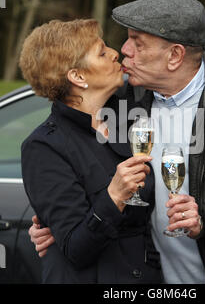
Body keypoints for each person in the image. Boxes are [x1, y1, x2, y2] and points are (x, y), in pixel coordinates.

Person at [29, 0, 205, 284]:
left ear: (175, 55)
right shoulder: (125, 102)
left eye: (138, 43)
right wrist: (51, 223)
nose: (123, 50)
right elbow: (73, 158)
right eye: (126, 40)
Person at [20, 19, 162, 284]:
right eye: (101, 51)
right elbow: (76, 248)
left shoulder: (132, 118)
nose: (114, 52)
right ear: (77, 76)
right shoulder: (44, 146)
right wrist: (114, 195)